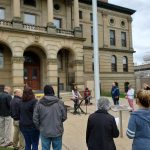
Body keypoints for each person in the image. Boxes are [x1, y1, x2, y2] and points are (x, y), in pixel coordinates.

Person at [33, 85, 67, 150]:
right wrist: (58, 122)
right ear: (53, 92)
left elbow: (35, 119)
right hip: (56, 130)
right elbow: (64, 116)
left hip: (45, 130)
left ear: (44, 92)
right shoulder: (60, 102)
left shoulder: (39, 103)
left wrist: (40, 127)